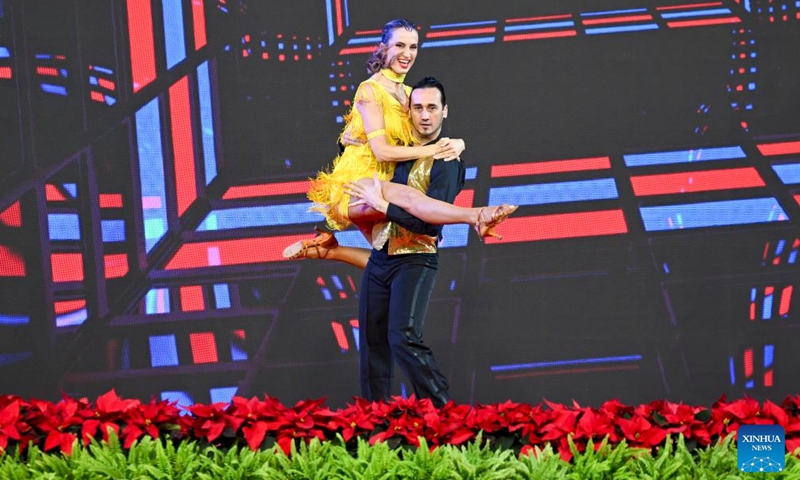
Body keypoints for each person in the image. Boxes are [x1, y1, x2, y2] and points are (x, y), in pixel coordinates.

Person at [282, 19, 517, 261]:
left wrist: (458, 143)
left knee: (394, 262)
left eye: (413, 47)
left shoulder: (408, 94)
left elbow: (420, 139)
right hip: (360, 186)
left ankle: (330, 251)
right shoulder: (369, 90)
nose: (407, 54)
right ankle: (477, 216)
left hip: (391, 179)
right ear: (384, 47)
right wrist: (433, 150)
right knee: (408, 202)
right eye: (400, 46)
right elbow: (383, 152)